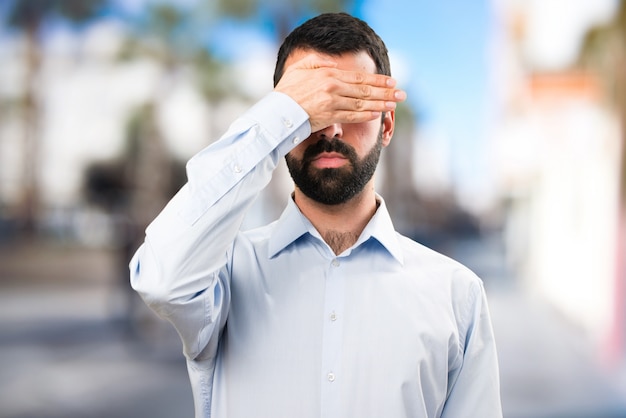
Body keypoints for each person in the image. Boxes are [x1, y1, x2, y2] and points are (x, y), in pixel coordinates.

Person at [130, 12, 502, 418]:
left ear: (387, 125)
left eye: (352, 102)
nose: (330, 129)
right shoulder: (224, 273)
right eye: (313, 107)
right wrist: (279, 115)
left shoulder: (457, 295)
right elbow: (161, 280)